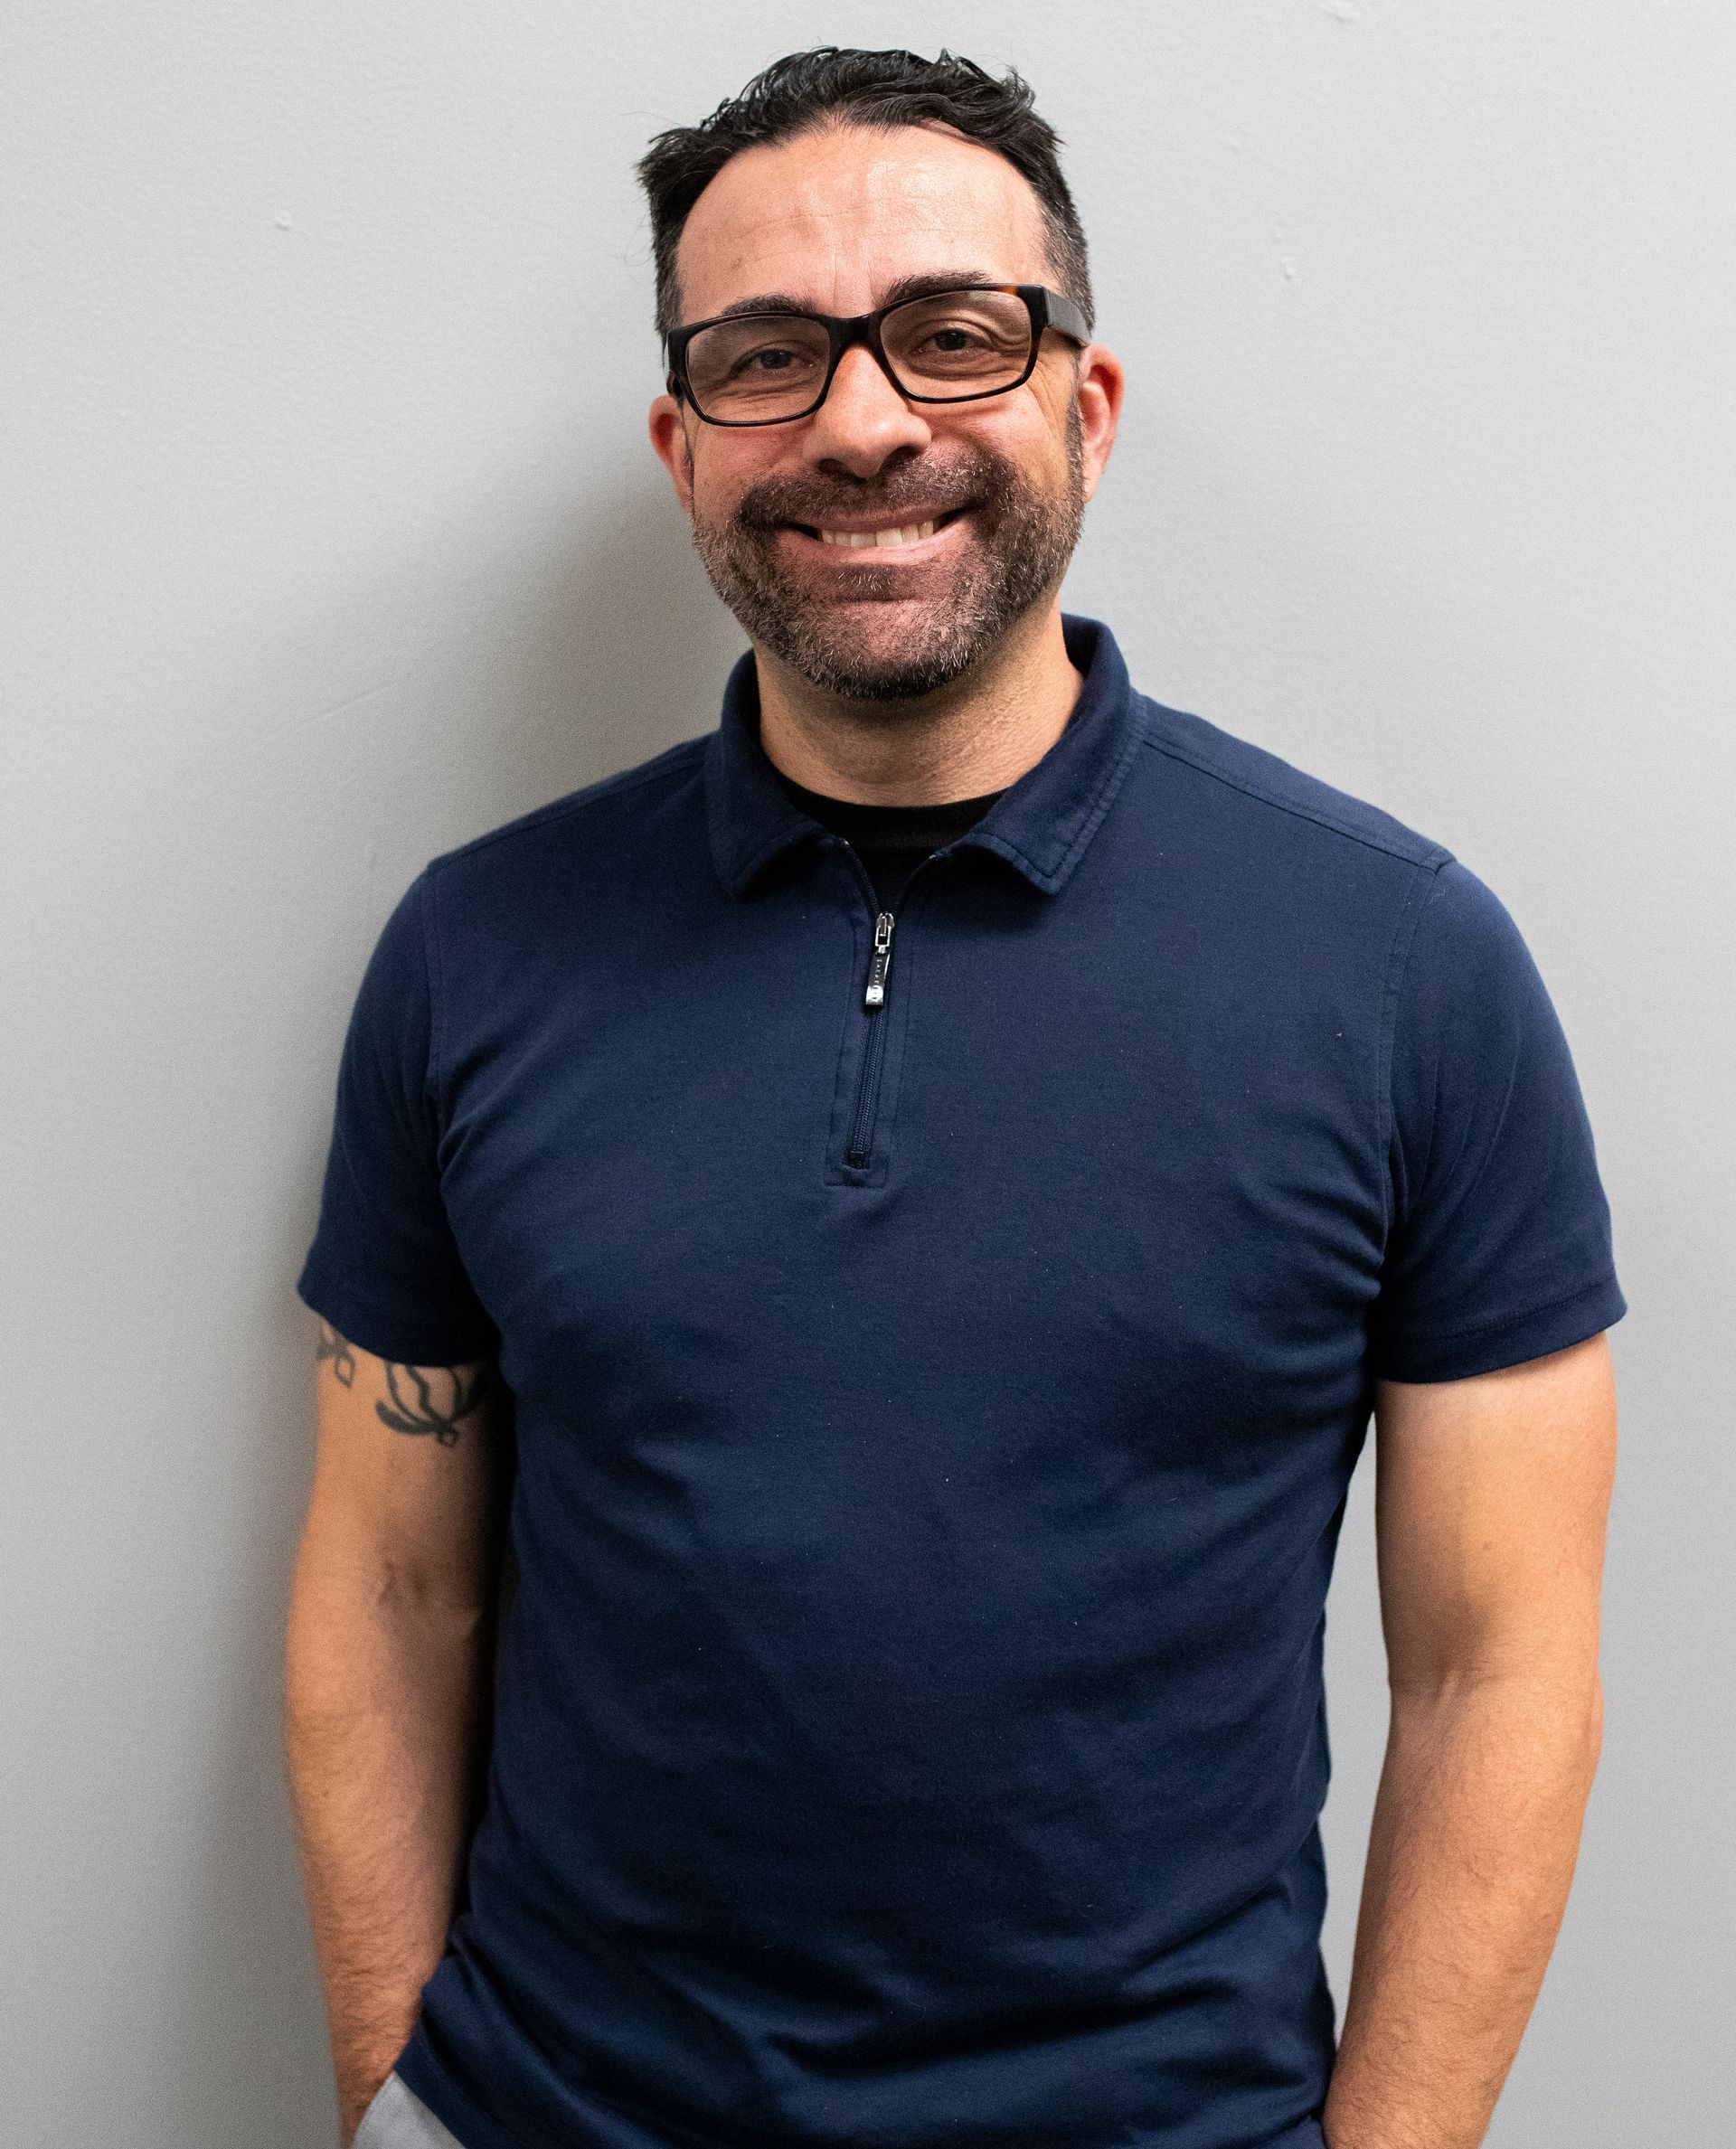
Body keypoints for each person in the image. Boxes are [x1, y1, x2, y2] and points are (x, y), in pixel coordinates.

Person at [285, 46, 1625, 2149]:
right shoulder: (478, 950)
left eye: (951, 335)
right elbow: (391, 1586)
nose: (863, 420)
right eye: (764, 357)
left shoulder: (1403, 969)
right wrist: (389, 2089)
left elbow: (1498, 1666)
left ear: (1084, 406)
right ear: (681, 445)